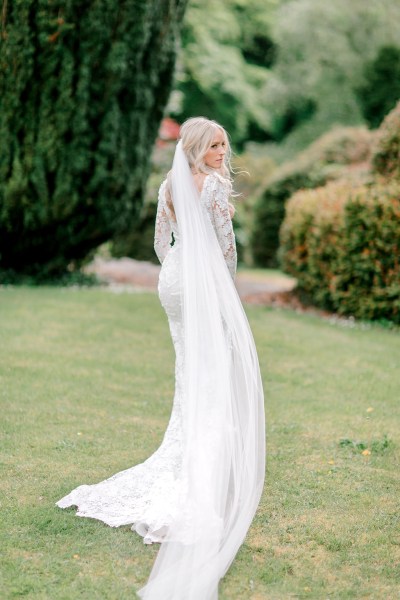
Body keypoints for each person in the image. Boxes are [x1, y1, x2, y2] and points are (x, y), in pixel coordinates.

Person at [56, 117, 265, 599]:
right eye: (213, 145)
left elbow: (159, 242)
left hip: (172, 280)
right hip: (202, 284)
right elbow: (226, 252)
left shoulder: (170, 183)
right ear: (195, 146)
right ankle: (199, 469)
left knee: (190, 373)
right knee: (209, 375)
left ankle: (188, 450)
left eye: (223, 146)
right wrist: (224, 292)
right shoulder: (212, 187)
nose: (220, 153)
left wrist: (177, 267)